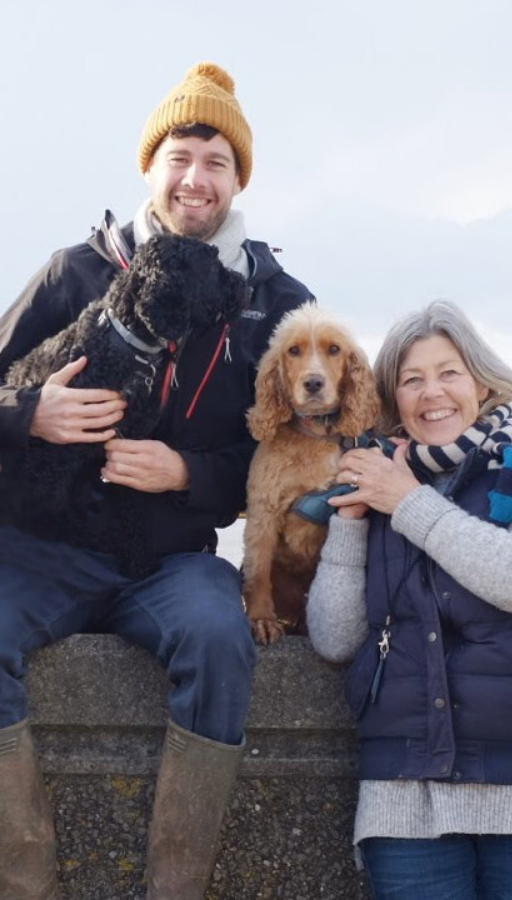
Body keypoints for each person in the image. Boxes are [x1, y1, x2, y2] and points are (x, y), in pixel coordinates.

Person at [0, 62, 314, 900]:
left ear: (237, 177)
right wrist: (28, 412)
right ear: (150, 166)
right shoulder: (73, 270)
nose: (195, 178)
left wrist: (189, 474)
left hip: (169, 562)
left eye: (216, 161)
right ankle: (27, 886)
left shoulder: (278, 301)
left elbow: (297, 455)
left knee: (221, 640)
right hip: (42, 550)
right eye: (180, 156)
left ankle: (174, 888)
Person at [306, 300, 512, 900]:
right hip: (403, 788)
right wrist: (354, 519)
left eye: (448, 373)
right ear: (393, 398)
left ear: (481, 382)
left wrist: (406, 499)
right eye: (411, 379)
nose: (431, 393)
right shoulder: (377, 481)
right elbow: (334, 637)